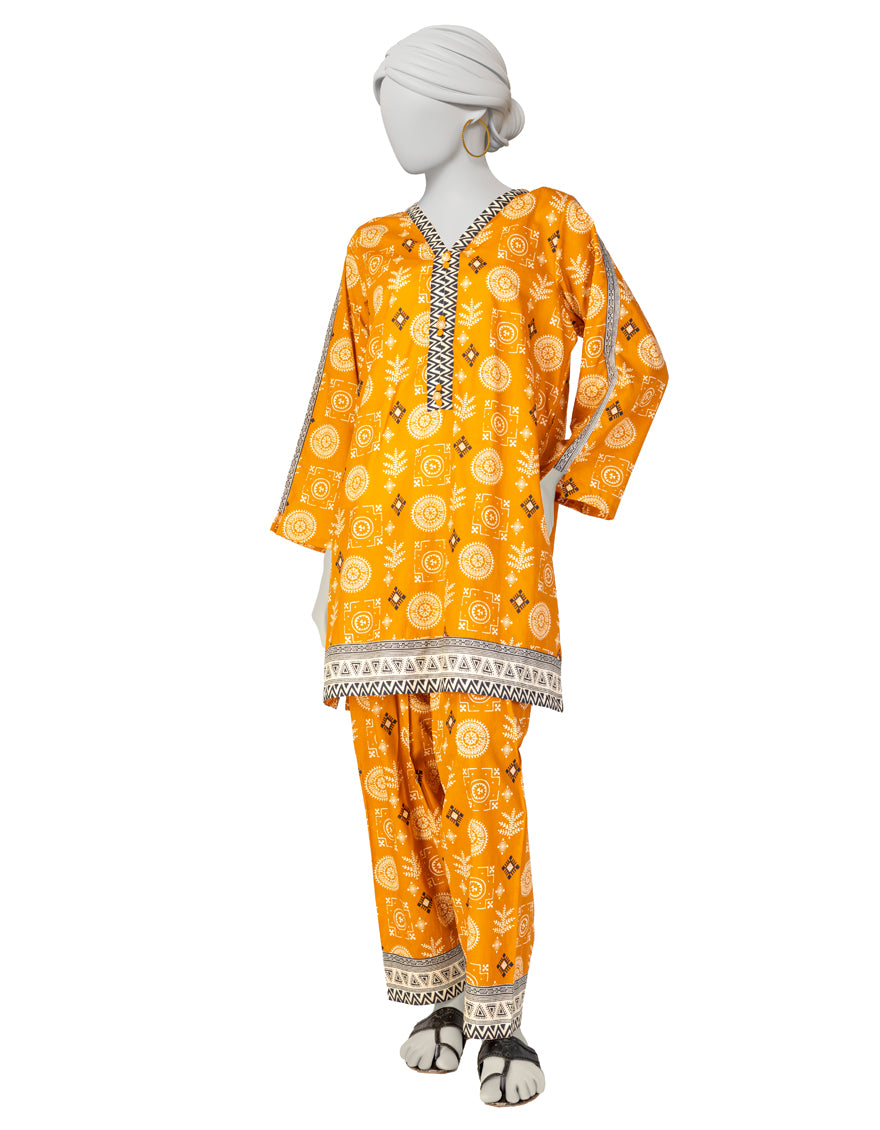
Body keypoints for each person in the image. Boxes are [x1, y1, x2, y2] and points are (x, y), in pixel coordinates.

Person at [270, 24, 669, 1108]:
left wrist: (560, 478)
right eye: (383, 102)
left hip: (491, 566)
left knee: (480, 783)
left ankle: (504, 1018)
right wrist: (324, 559)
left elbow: (635, 361)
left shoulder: (551, 224)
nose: (388, 124)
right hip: (374, 563)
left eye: (403, 101)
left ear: (465, 112)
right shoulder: (371, 248)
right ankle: (437, 998)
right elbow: (341, 400)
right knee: (393, 782)